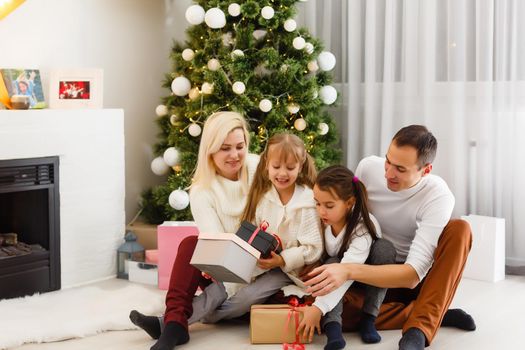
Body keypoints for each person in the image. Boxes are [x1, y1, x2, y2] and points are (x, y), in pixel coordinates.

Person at [304, 125, 475, 350]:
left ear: (426, 170)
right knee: (325, 310)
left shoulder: (438, 195)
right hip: (370, 273)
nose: (388, 173)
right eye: (388, 161)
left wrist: (347, 270)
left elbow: (413, 275)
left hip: (408, 279)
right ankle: (433, 312)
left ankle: (419, 328)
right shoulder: (367, 168)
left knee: (460, 229)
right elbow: (347, 213)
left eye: (400, 169)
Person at [129, 111, 259, 350]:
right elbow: (221, 252)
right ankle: (174, 324)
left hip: (263, 268)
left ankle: (170, 324)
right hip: (226, 274)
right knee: (191, 243)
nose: (235, 155)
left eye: (240, 146)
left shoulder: (257, 168)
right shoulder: (202, 191)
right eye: (225, 148)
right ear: (210, 149)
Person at [189, 132, 323, 325]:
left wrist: (282, 260)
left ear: (300, 166)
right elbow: (252, 233)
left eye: (290, 168)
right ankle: (174, 320)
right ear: (266, 164)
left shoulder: (308, 202)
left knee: (244, 299)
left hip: (287, 272)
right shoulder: (264, 197)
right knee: (225, 285)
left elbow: (314, 249)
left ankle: (207, 315)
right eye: (276, 167)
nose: (282, 174)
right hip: (259, 263)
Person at [296, 165, 396, 350]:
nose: (321, 211)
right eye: (317, 203)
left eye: (329, 205)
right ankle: (333, 328)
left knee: (385, 249)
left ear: (349, 202)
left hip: (366, 275)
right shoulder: (322, 219)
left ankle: (369, 318)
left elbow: (348, 270)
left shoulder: (362, 227)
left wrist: (317, 309)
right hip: (339, 270)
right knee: (332, 263)